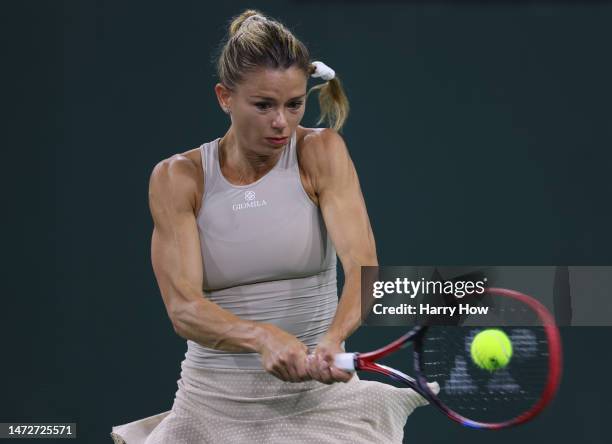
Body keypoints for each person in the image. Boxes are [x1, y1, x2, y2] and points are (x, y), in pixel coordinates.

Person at [111, 10, 434, 444]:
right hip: (211, 410)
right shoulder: (178, 178)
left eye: (294, 104)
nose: (282, 122)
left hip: (320, 405)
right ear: (225, 97)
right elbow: (183, 308)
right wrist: (261, 337)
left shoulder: (321, 152)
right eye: (263, 105)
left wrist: (333, 338)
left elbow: (363, 266)